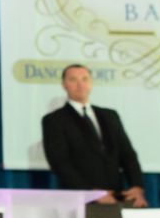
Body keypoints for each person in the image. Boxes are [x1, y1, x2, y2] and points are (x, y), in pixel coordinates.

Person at [40, 63, 147, 207]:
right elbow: (60, 163)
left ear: (91, 83)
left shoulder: (110, 116)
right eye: (73, 80)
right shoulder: (55, 120)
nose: (80, 85)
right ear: (64, 84)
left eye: (85, 79)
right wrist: (90, 193)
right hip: (80, 200)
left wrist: (137, 187)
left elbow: (128, 155)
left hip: (116, 197)